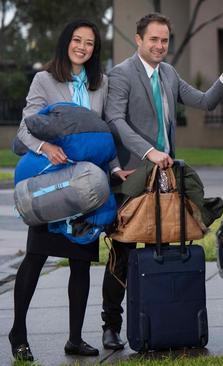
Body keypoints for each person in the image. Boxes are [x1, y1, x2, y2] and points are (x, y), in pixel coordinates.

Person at [101, 12, 223, 350]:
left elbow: (205, 102)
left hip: (164, 180)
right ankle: (111, 325)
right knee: (121, 252)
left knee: (158, 252)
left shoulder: (169, 74)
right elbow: (115, 120)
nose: (160, 46)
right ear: (139, 39)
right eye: (154, 39)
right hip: (132, 177)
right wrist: (148, 151)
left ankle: (154, 322)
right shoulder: (121, 75)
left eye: (164, 40)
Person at [9, 19, 115, 361]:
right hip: (51, 183)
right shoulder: (45, 79)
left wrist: (114, 169)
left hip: (85, 186)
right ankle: (18, 333)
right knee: (36, 257)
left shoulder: (102, 84)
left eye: (89, 43)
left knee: (81, 261)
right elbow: (26, 128)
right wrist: (45, 148)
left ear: (95, 49)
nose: (82, 47)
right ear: (66, 42)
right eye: (76, 40)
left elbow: (103, 133)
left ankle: (74, 338)